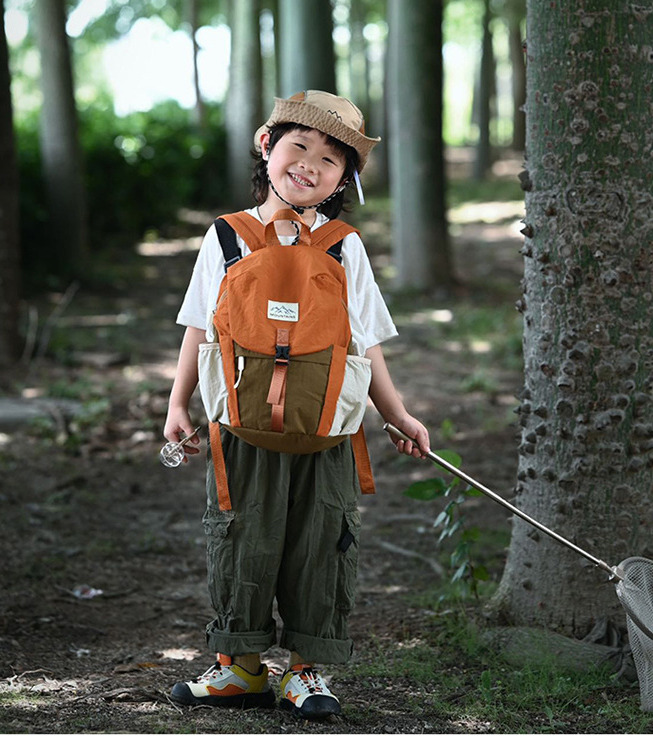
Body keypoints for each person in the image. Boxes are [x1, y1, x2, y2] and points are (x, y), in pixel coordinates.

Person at [163, 90, 431, 720]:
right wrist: (178, 404)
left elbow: (365, 341)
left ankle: (306, 671)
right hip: (240, 426)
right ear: (267, 146)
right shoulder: (226, 237)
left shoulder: (344, 246)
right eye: (299, 146)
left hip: (328, 429)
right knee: (242, 538)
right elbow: (199, 325)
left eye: (331, 159)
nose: (310, 164)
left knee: (323, 542)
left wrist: (396, 414)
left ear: (345, 180)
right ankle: (241, 667)